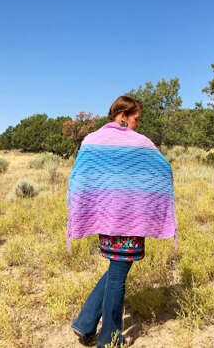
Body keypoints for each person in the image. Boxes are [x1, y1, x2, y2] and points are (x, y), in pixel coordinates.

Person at [67, 95, 177, 348]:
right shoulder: (141, 144)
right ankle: (110, 339)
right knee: (118, 276)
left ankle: (84, 323)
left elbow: (79, 177)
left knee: (116, 269)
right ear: (123, 116)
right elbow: (163, 169)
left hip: (106, 219)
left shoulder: (91, 141)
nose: (138, 124)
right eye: (136, 119)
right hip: (131, 221)